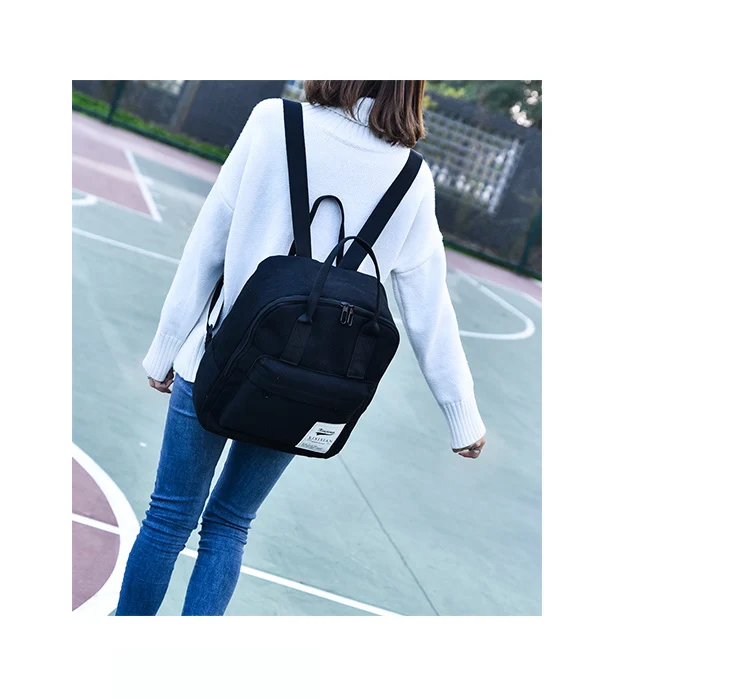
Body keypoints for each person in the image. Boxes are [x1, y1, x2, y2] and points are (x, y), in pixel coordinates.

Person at [115, 80, 487, 616]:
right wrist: (461, 413)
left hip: (215, 358)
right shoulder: (411, 176)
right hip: (305, 384)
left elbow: (209, 241)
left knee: (170, 517)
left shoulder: (274, 122)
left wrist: (167, 346)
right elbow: (429, 305)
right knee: (230, 525)